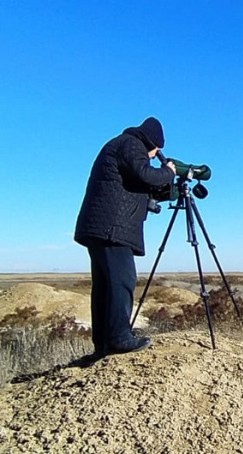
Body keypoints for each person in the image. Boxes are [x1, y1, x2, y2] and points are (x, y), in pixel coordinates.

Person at [75, 117, 176, 358]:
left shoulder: (121, 145)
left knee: (105, 287)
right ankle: (119, 338)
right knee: (123, 280)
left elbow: (136, 182)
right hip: (112, 228)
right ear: (153, 143)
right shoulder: (130, 144)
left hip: (101, 226)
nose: (154, 156)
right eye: (156, 152)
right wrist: (168, 171)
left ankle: (103, 345)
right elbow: (144, 174)